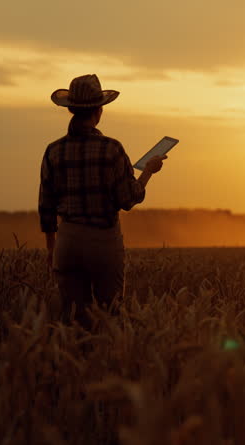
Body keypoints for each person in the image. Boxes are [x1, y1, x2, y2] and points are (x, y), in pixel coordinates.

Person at [38, 74, 166, 327]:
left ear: (70, 110)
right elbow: (128, 199)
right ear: (99, 110)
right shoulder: (111, 148)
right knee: (111, 317)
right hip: (103, 242)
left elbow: (46, 204)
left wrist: (52, 248)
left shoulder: (54, 150)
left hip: (67, 241)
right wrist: (149, 171)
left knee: (73, 321)